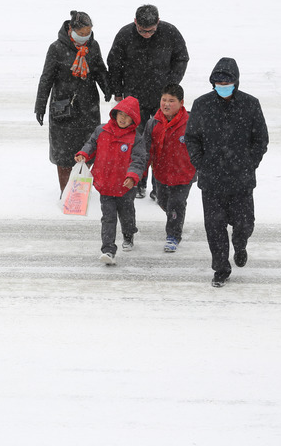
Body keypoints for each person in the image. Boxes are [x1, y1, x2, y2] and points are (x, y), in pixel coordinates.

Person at [184, 57, 269, 288]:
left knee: (244, 224)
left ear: (235, 82)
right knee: (214, 227)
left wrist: (249, 163)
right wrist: (200, 162)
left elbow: (260, 139)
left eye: (226, 83)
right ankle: (221, 268)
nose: (222, 86)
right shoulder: (202, 105)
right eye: (218, 83)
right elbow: (192, 138)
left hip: (241, 180)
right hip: (211, 180)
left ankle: (240, 245)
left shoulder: (250, 104)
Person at [107, 4, 189, 199]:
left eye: (151, 31)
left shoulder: (170, 32)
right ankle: (138, 182)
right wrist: (117, 91)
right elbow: (114, 63)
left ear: (158, 23)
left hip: (162, 99)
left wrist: (171, 85)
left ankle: (159, 186)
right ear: (135, 22)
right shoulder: (125, 35)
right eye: (142, 30)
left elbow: (182, 58)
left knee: (162, 143)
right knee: (138, 142)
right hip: (134, 98)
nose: (146, 35)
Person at [35, 10, 111, 195]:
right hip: (63, 107)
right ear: (71, 29)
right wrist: (40, 105)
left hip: (88, 106)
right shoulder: (56, 48)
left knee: (88, 149)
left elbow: (100, 70)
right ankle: (66, 191)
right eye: (81, 33)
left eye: (88, 33)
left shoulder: (93, 46)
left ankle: (81, 191)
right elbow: (46, 78)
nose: (84, 37)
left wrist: (108, 89)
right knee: (64, 153)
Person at [74, 96, 148, 265]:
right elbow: (91, 145)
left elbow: (138, 161)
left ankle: (128, 234)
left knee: (126, 215)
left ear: (133, 119)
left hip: (125, 187)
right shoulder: (102, 131)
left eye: (127, 116)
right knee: (108, 218)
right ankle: (108, 249)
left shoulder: (136, 138)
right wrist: (83, 154)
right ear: (115, 114)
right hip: (105, 184)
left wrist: (132, 177)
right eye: (120, 114)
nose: (123, 118)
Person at [142, 84, 196, 253]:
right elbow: (145, 151)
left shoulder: (191, 122)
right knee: (163, 202)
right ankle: (175, 217)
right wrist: (139, 174)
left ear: (181, 103)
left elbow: (202, 148)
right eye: (164, 100)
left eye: (171, 101)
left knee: (176, 203)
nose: (166, 104)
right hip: (161, 174)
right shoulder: (153, 123)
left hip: (184, 174)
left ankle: (173, 235)